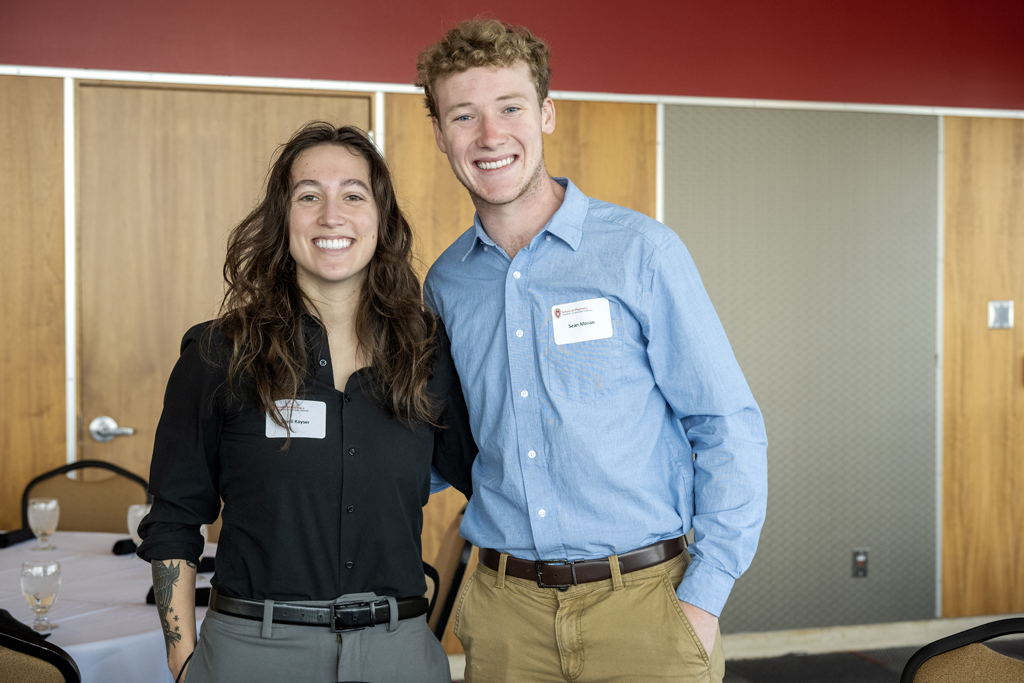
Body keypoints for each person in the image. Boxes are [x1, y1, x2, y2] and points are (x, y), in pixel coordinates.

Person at [416, 19, 768, 683]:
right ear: (440, 133)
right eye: (464, 115)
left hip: (647, 608)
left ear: (546, 114)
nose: (490, 136)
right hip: (504, 619)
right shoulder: (446, 284)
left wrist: (703, 595)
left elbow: (727, 426)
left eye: (511, 108)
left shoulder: (642, 252)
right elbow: (439, 446)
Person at [136, 122, 476, 683]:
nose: (331, 215)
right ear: (282, 219)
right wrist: (183, 659)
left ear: (381, 219)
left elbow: (489, 479)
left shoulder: (429, 353)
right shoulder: (221, 353)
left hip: (398, 655)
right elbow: (175, 517)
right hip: (252, 652)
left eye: (353, 195)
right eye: (309, 196)